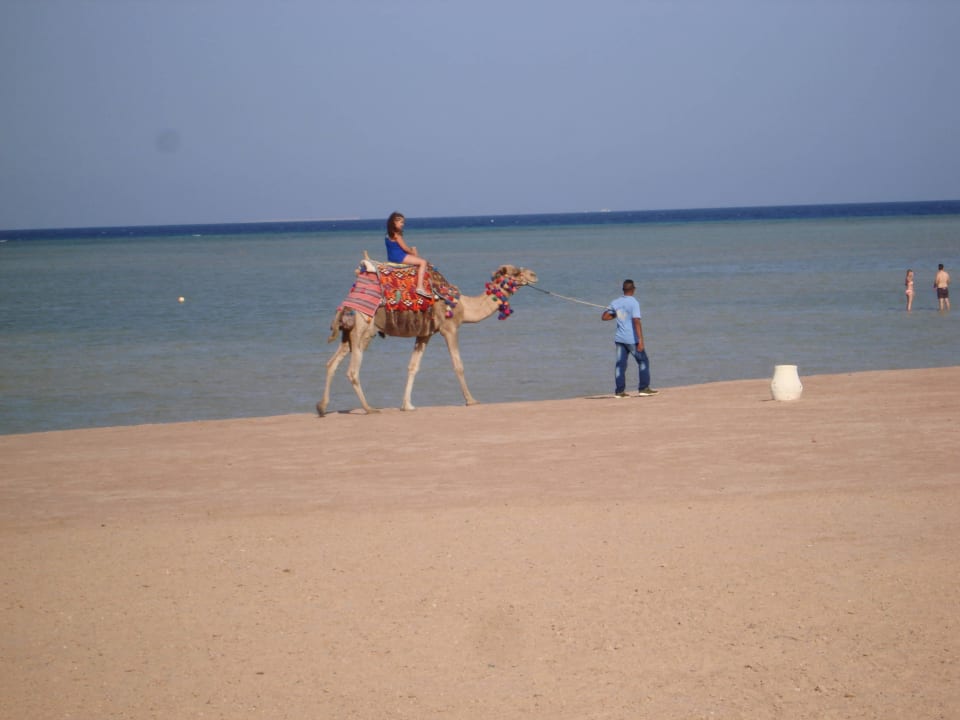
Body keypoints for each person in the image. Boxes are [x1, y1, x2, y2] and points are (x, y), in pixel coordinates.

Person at [601, 279, 658, 397]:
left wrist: (617, 313)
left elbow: (605, 316)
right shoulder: (634, 302)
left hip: (620, 339)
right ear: (633, 290)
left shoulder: (616, 302)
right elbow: (636, 321)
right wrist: (641, 340)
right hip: (631, 339)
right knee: (643, 361)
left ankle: (619, 391)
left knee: (620, 365)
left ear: (623, 290)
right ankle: (643, 388)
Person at [384, 211, 431, 297]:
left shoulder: (388, 234)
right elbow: (404, 248)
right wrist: (413, 252)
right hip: (399, 257)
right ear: (394, 222)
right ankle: (420, 287)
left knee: (417, 259)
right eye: (401, 222)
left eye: (403, 222)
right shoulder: (397, 235)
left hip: (392, 257)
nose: (402, 224)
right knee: (423, 262)